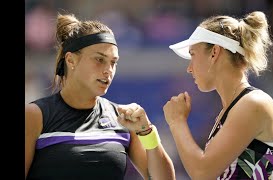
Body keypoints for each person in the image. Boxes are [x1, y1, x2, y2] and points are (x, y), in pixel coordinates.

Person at [25, 12, 175, 180]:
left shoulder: (121, 119)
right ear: (71, 60)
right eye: (99, 59)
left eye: (113, 62)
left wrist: (147, 132)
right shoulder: (34, 116)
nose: (108, 70)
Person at [163, 11, 273, 179]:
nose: (189, 68)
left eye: (192, 54)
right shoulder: (232, 109)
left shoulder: (253, 103)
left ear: (214, 52)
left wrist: (177, 121)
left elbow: (202, 172)